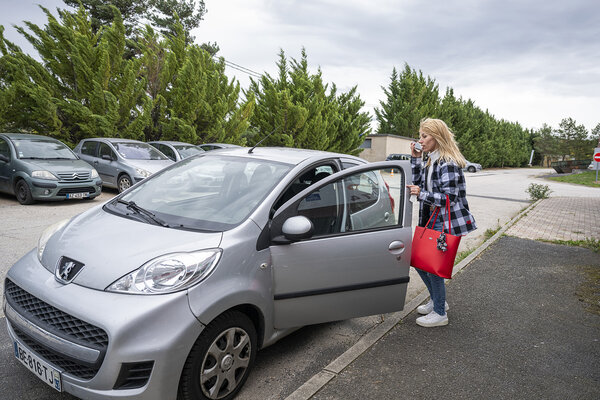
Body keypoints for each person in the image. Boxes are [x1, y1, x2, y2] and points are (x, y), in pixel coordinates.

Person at [406, 118, 477, 327]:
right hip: (431, 218)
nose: (421, 140)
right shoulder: (431, 159)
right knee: (419, 261)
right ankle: (439, 301)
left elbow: (449, 199)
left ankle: (439, 313)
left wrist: (422, 194)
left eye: (424, 136)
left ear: (437, 137)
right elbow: (417, 183)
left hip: (446, 221)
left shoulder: (448, 162)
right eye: (421, 136)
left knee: (433, 267)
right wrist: (416, 159)